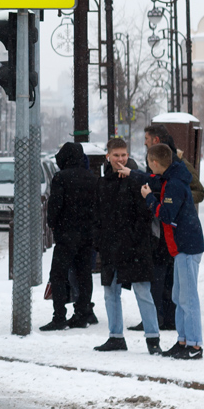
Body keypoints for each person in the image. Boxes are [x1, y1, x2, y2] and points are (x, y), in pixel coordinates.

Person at [92, 138, 161, 353]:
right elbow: (99, 216)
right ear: (108, 156)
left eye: (124, 155)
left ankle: (153, 338)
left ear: (128, 154)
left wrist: (137, 238)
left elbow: (145, 213)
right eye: (116, 155)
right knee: (110, 292)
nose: (121, 159)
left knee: (143, 291)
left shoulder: (137, 179)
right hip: (111, 245)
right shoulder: (103, 183)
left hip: (136, 245)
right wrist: (100, 241)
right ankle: (115, 336)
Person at [143, 143, 204, 359]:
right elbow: (152, 180)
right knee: (179, 297)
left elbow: (166, 214)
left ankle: (195, 346)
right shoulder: (172, 177)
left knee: (188, 298)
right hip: (181, 247)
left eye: (149, 162)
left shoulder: (174, 184)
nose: (148, 167)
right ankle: (183, 340)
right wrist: (132, 174)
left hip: (187, 246)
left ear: (155, 163)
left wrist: (149, 199)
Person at [41, 141, 99, 331]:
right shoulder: (91, 177)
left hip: (66, 236)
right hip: (87, 235)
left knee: (58, 275)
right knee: (84, 275)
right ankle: (81, 314)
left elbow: (54, 207)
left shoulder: (61, 177)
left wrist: (54, 225)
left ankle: (59, 317)